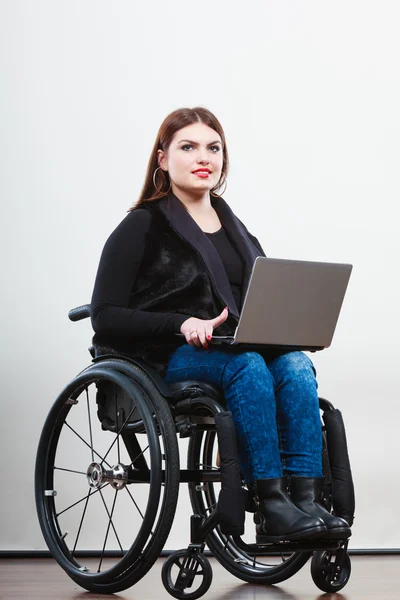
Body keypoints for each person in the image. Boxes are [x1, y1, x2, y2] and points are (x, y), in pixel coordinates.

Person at [90, 106, 350, 542]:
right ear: (162, 159)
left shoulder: (237, 230)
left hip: (231, 349)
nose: (203, 156)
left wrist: (290, 328)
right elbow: (104, 315)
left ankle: (305, 500)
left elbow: (261, 299)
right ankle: (269, 503)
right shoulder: (142, 225)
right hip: (166, 359)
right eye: (187, 147)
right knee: (247, 364)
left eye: (213, 147)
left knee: (294, 364)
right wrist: (181, 323)